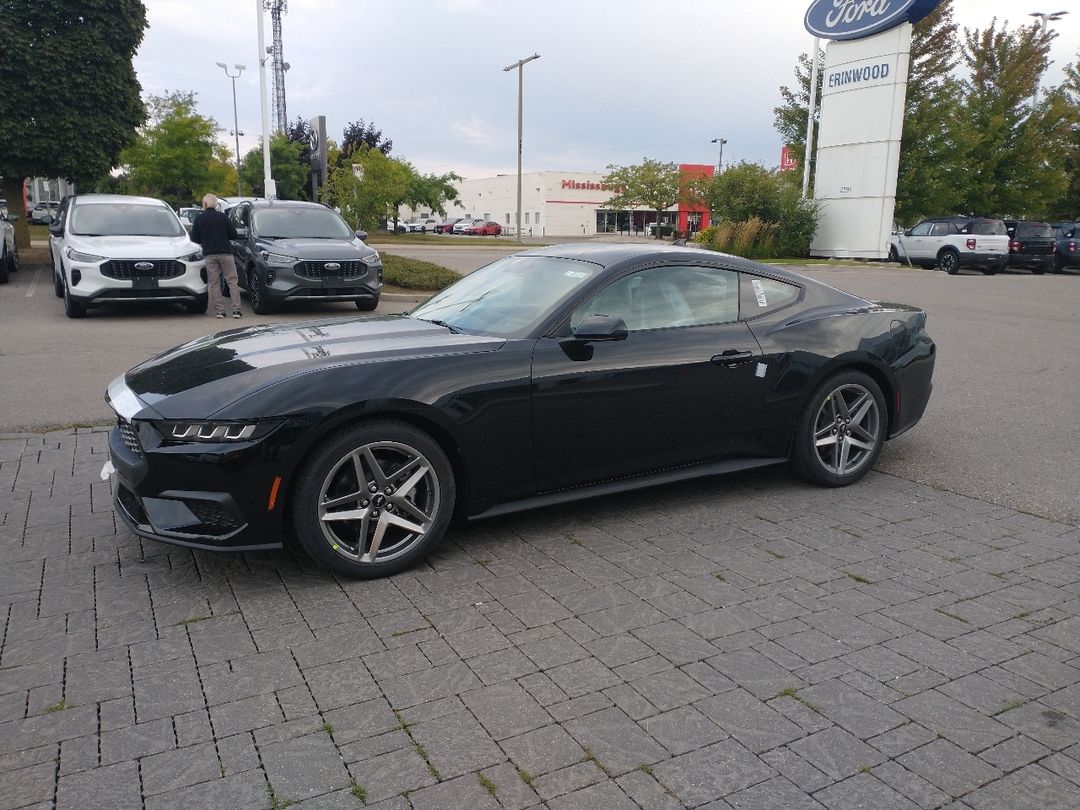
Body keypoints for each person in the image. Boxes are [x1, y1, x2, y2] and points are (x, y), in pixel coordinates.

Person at [190, 193, 242, 318]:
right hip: (226, 253)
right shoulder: (223, 217)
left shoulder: (199, 219)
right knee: (232, 281)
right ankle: (236, 310)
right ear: (215, 204)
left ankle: (220, 311)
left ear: (205, 204)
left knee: (214, 283)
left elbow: (194, 238)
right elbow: (234, 234)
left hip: (209, 254)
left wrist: (205, 240)